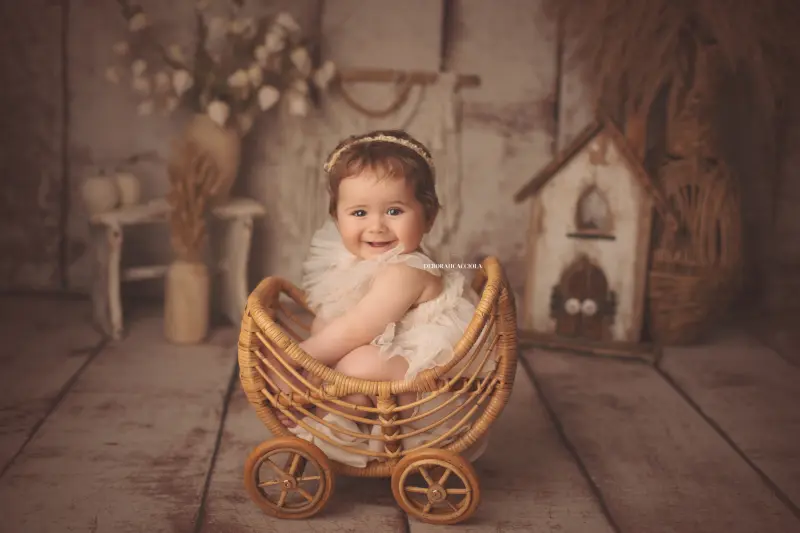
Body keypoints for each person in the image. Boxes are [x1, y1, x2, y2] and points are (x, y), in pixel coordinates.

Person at [260, 129, 491, 467]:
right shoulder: (364, 263)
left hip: (431, 389)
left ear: (429, 217)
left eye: (394, 211)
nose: (377, 226)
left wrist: (298, 361)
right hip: (395, 366)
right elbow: (344, 323)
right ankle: (342, 411)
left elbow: (358, 329)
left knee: (357, 362)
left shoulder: (406, 272)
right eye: (359, 213)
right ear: (337, 217)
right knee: (328, 322)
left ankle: (323, 411)